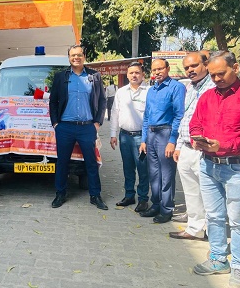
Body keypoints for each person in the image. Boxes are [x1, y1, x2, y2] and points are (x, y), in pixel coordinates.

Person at [189, 51, 240, 288]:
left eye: (221, 73)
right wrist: (196, 139)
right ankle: (219, 259)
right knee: (215, 216)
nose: (216, 79)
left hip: (237, 167)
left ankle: (239, 266)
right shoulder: (207, 97)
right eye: (213, 75)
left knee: (239, 221)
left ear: (236, 67)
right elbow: (195, 123)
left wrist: (225, 147)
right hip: (208, 166)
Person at [49, 44, 107, 210]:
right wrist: (56, 123)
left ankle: (95, 195)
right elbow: (53, 102)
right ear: (69, 58)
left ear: (84, 56)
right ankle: (60, 193)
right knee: (62, 163)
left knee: (91, 162)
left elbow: (102, 101)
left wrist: (97, 123)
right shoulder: (61, 76)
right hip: (65, 127)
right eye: (73, 55)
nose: (76, 58)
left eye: (79, 55)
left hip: (87, 127)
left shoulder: (94, 76)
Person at [169, 52, 214, 241]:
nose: (190, 70)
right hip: (186, 147)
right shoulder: (190, 87)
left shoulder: (214, 87)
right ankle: (194, 228)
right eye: (187, 67)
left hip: (204, 150)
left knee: (209, 193)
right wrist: (179, 145)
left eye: (194, 66)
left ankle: (213, 232)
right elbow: (184, 118)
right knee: (191, 191)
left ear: (206, 64)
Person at [139, 58, 185, 223]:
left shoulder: (176, 88)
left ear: (168, 68)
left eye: (160, 69)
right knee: (154, 173)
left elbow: (179, 115)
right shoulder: (152, 90)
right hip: (151, 134)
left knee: (166, 174)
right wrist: (144, 139)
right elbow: (146, 116)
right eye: (154, 70)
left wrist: (173, 140)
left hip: (166, 133)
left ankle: (166, 209)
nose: (157, 72)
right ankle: (156, 204)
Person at [109, 62, 149, 212]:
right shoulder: (121, 92)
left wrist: (146, 139)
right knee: (128, 168)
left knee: (143, 169)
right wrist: (113, 134)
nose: (134, 75)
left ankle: (143, 198)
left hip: (141, 138)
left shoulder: (148, 91)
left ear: (142, 74)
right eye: (131, 73)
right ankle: (129, 195)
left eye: (137, 72)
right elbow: (114, 113)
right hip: (124, 136)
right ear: (127, 75)